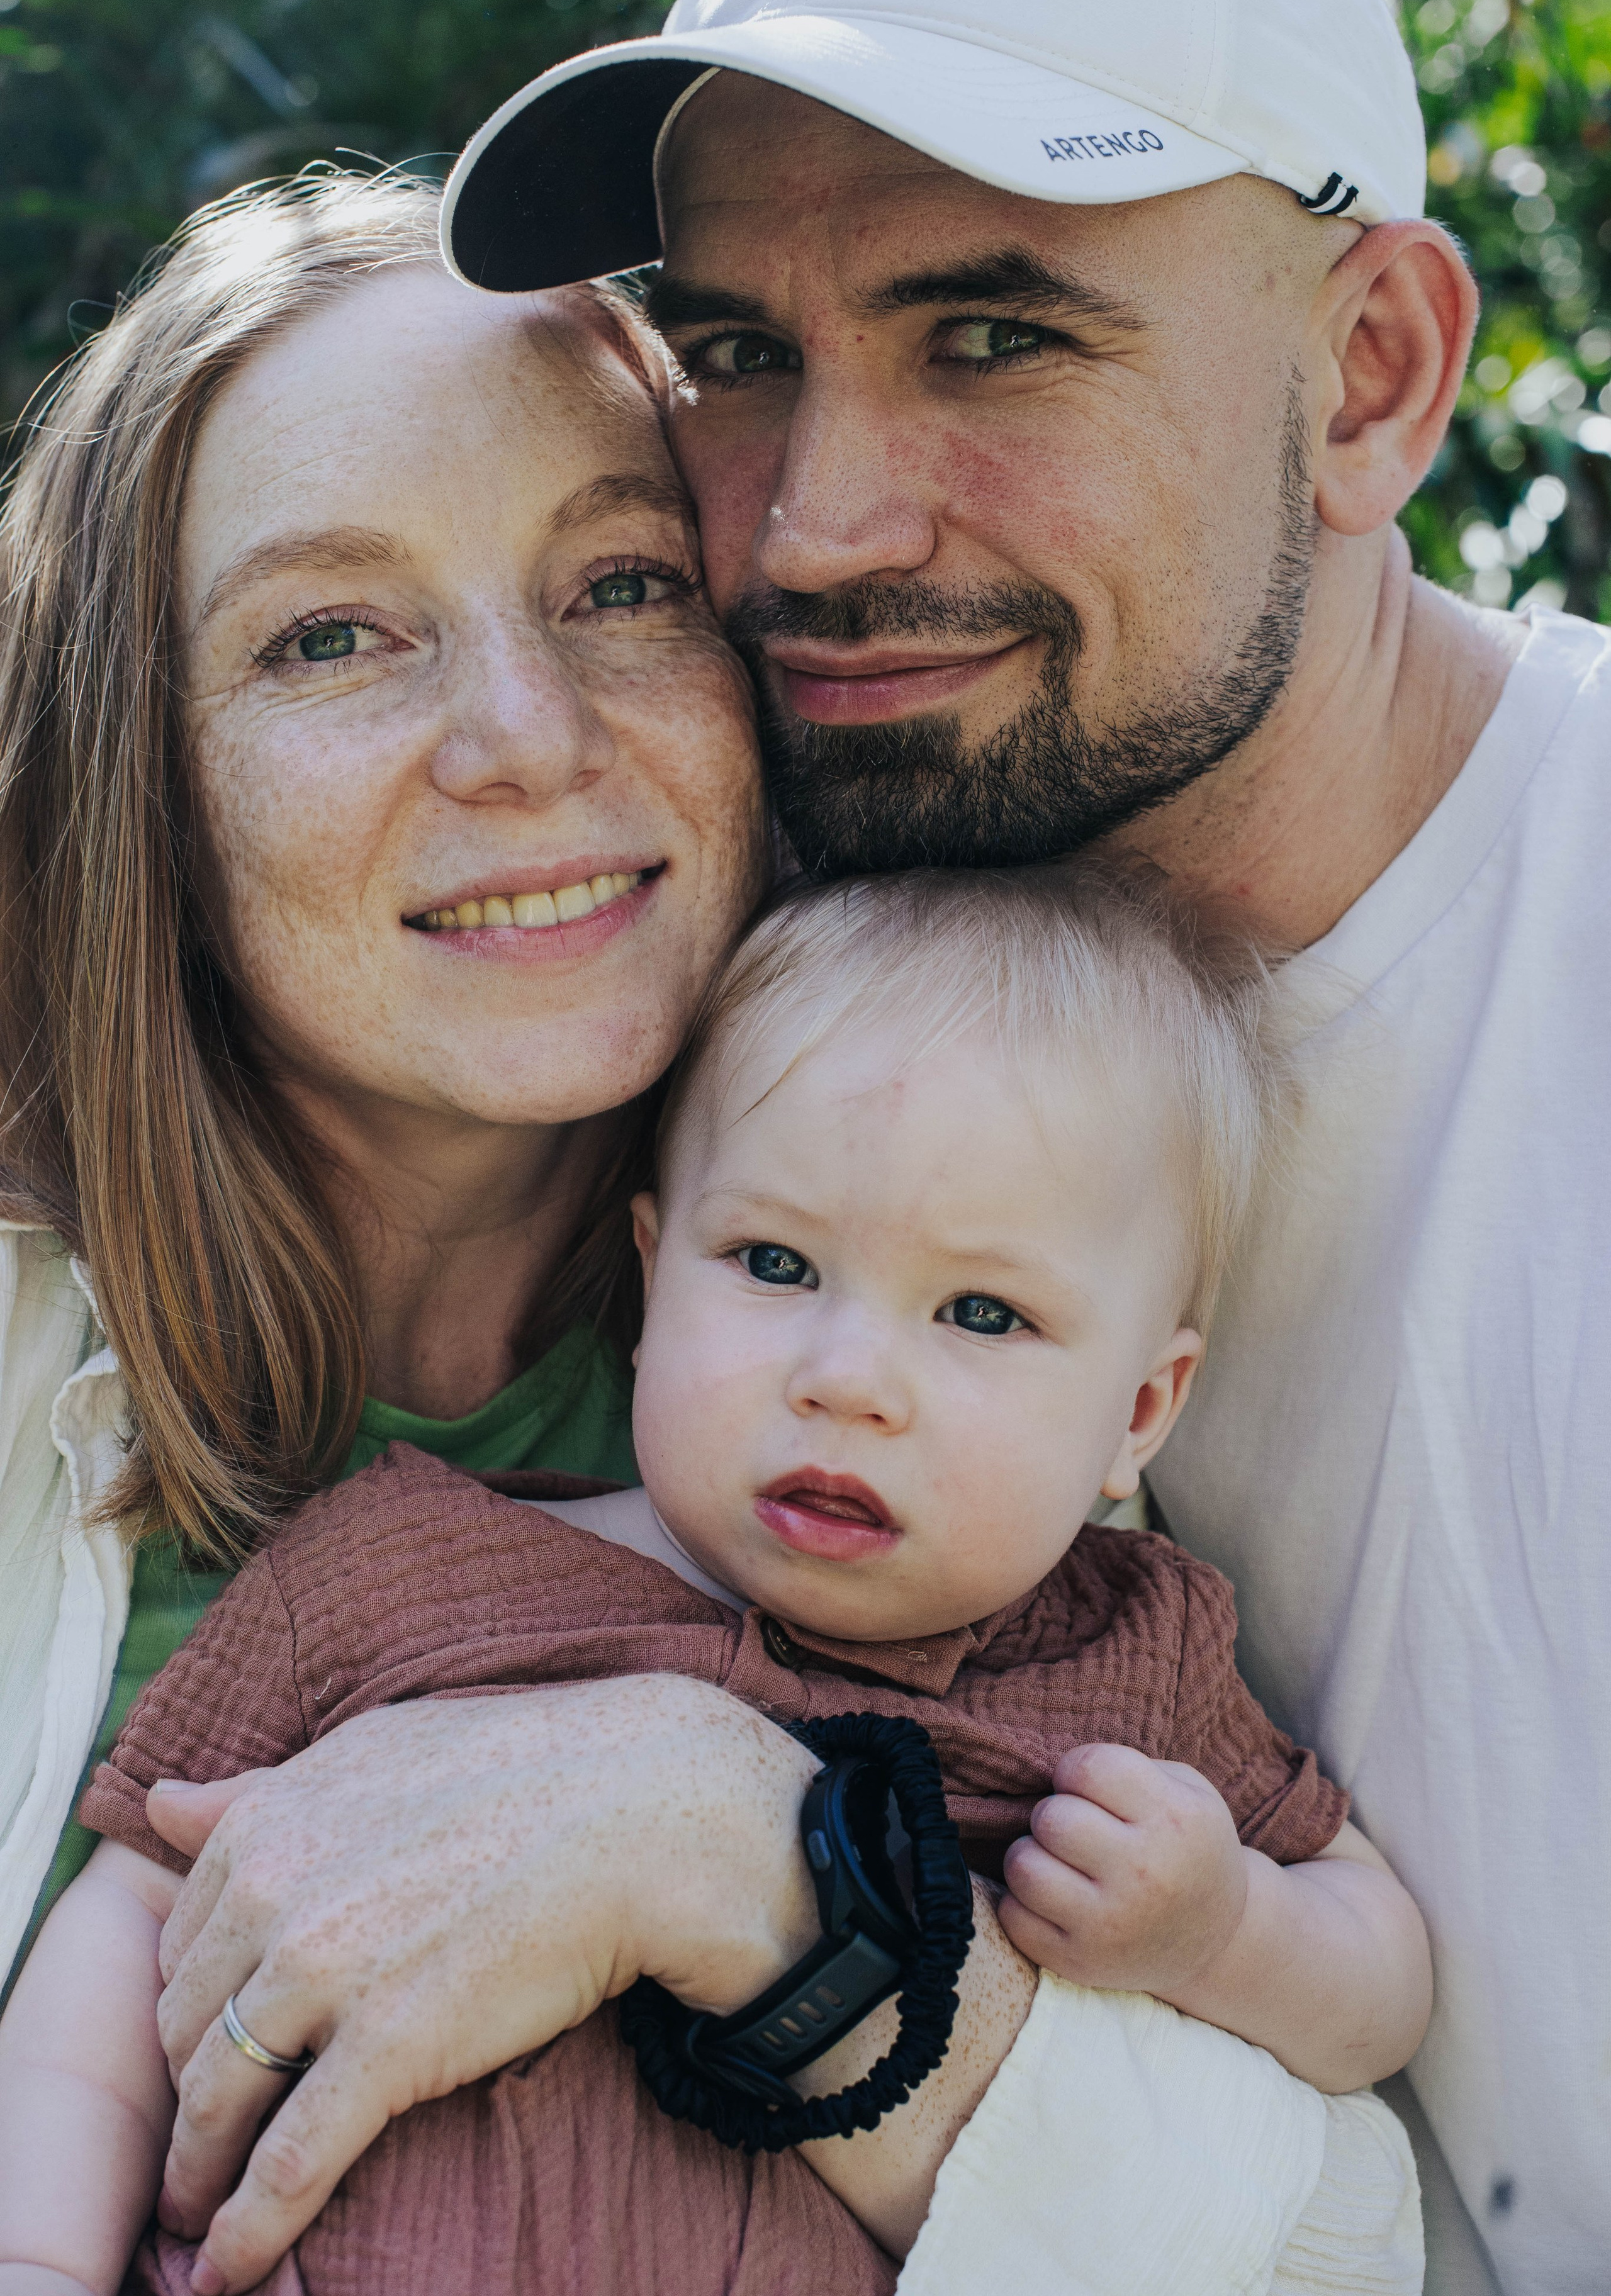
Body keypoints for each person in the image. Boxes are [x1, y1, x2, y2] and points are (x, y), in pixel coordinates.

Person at [0, 159, 1396, 2296]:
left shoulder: (969, 1340)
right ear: (145, 768)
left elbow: (1332, 2243)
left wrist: (741, 1857)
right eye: (334, 633)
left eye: (622, 585)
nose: (525, 738)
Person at [428, 0, 1611, 2288]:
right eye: (738, 352)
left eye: (992, 334)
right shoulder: (693, 976)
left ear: (1370, 376)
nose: (817, 531)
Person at [0, 864, 1426, 2295]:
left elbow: (1381, 1979)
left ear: (1137, 1411)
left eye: (980, 1312)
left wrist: (1224, 1931)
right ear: (650, 1271)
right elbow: (136, 1913)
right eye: (773, 1261)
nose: (848, 1379)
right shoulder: (397, 1567)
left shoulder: (1129, 1664)